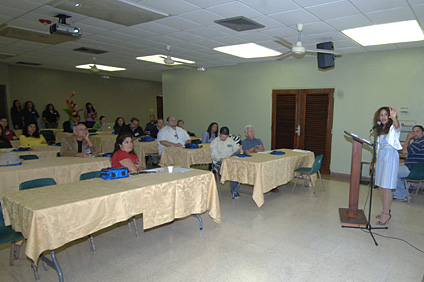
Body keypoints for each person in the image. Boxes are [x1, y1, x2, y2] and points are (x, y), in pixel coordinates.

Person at [373, 106, 401, 225]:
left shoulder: (393, 128)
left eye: (385, 114)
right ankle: (385, 209)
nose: (383, 117)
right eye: (381, 115)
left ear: (389, 116)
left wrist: (394, 119)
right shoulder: (380, 129)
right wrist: (375, 161)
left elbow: (397, 127)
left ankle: (386, 214)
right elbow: (378, 147)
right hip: (381, 158)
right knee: (380, 185)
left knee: (387, 186)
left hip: (390, 157)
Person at [392, 125, 424, 201]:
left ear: (423, 133)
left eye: (417, 131)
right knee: (396, 166)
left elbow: (405, 151)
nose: (415, 133)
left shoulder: (419, 143)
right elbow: (410, 149)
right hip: (418, 171)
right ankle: (405, 191)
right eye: (413, 132)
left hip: (412, 170)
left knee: (392, 171)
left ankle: (401, 195)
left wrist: (408, 138)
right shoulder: (419, 142)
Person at [210, 126, 243, 198]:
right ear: (219, 134)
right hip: (219, 161)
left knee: (237, 165)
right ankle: (234, 191)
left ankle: (236, 187)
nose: (224, 139)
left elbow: (235, 148)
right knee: (232, 170)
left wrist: (239, 149)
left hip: (230, 160)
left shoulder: (230, 140)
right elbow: (214, 155)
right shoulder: (214, 142)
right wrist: (220, 159)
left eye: (225, 137)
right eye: (222, 137)